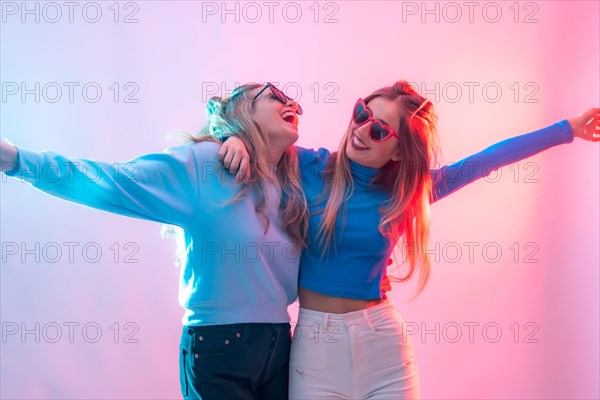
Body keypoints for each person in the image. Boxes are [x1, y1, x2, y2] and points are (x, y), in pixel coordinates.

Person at [221, 80, 599, 399]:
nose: (362, 129)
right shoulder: (305, 165)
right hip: (315, 349)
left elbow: (487, 160)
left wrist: (567, 129)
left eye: (380, 129)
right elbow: (239, 123)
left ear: (400, 149)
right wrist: (233, 138)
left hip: (383, 345)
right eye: (361, 114)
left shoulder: (407, 193)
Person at [1, 82, 309, 399]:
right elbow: (111, 181)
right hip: (220, 347)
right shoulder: (206, 163)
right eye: (275, 95)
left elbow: (349, 170)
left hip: (280, 345)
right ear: (241, 110)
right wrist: (16, 161)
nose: (293, 105)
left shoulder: (297, 182)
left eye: (296, 103)